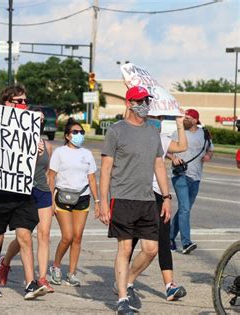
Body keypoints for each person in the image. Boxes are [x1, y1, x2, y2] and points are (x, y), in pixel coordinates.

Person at [99, 86, 171, 314]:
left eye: (147, 101)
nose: (144, 105)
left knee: (151, 249)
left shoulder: (152, 132)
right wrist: (102, 201)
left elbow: (159, 164)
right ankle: (122, 300)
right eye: (140, 100)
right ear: (129, 103)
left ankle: (127, 280)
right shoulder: (116, 131)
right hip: (122, 198)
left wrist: (167, 197)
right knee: (125, 248)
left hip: (147, 199)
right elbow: (106, 169)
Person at [0, 85, 48, 300]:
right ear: (7, 103)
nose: (23, 105)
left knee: (25, 236)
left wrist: (37, 153)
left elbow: (31, 164)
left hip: (22, 192)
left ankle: (31, 283)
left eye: (24, 101)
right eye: (18, 101)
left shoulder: (30, 129)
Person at [128, 114, 188, 301]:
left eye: (158, 118)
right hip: (137, 193)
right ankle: (122, 277)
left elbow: (182, 147)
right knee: (132, 240)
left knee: (162, 238)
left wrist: (180, 124)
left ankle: (169, 285)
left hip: (158, 194)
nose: (156, 121)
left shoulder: (161, 139)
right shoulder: (134, 135)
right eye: (152, 117)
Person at [0, 111, 55, 292]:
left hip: (42, 191)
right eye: (37, 120)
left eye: (43, 120)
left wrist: (52, 197)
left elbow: (47, 173)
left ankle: (42, 278)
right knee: (25, 236)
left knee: (44, 235)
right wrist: (31, 152)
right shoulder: (17, 142)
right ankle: (5, 262)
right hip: (25, 191)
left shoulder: (47, 145)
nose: (41, 123)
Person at [47, 118, 98, 288]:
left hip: (83, 198)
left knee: (77, 237)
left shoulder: (87, 154)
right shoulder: (59, 152)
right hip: (63, 198)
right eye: (75, 132)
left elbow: (91, 178)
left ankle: (72, 273)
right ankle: (56, 266)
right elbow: (52, 176)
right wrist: (51, 201)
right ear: (67, 136)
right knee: (67, 236)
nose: (79, 135)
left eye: (81, 132)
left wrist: (97, 201)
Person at [167, 109, 213, 254]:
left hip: (196, 177)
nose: (184, 119)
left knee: (183, 209)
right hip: (180, 174)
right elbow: (165, 148)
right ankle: (186, 243)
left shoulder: (204, 134)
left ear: (195, 120)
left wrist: (208, 156)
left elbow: (210, 150)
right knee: (185, 208)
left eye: (187, 117)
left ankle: (169, 238)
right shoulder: (178, 132)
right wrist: (173, 158)